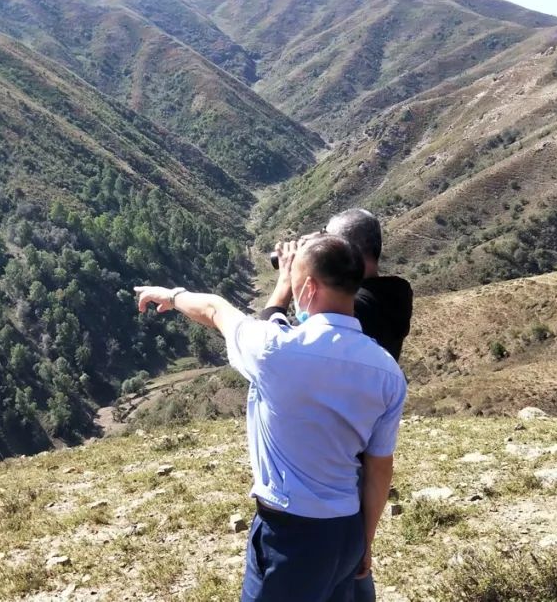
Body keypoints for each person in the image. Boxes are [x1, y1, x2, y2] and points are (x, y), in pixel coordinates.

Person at [134, 235, 406, 602]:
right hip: (346, 529)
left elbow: (214, 309)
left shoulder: (274, 349)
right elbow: (379, 470)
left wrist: (172, 295)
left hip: (291, 534)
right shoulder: (386, 371)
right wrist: (365, 542)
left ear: (308, 288)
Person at [263, 209, 412, 601]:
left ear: (352, 254)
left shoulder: (361, 308)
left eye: (330, 242)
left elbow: (283, 351)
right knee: (352, 558)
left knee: (339, 562)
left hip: (335, 467)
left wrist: (288, 285)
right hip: (360, 449)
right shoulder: (396, 295)